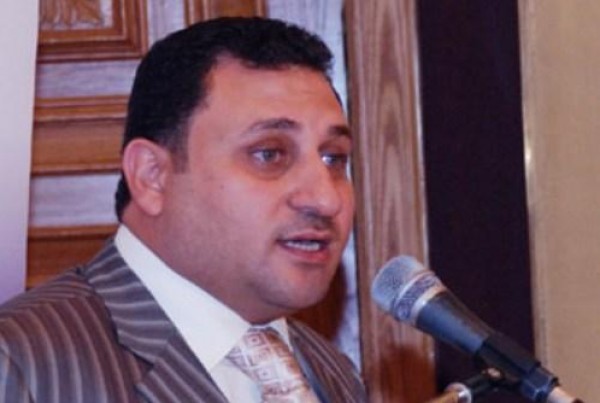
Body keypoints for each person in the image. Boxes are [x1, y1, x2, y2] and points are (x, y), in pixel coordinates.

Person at [0, 16, 366, 403]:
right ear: (152, 176)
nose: (325, 199)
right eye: (269, 154)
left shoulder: (331, 372)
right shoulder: (21, 364)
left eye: (334, 158)